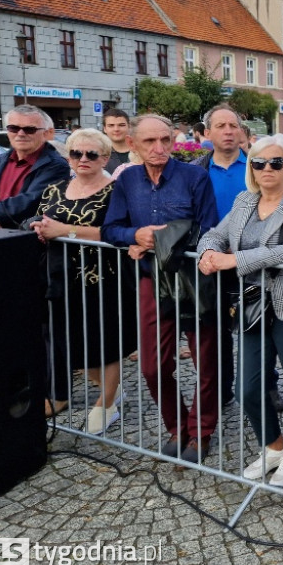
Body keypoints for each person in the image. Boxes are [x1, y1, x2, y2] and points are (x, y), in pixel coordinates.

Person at [197, 135, 283, 487]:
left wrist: (232, 260)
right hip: (252, 304)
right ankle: (274, 445)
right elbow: (215, 235)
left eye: (276, 162)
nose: (267, 168)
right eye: (259, 163)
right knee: (248, 386)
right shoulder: (244, 201)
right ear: (251, 168)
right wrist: (207, 253)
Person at [102, 114, 220, 465]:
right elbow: (111, 229)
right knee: (153, 365)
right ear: (134, 144)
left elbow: (208, 229)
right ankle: (176, 426)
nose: (159, 148)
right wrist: (133, 237)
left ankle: (202, 431)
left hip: (193, 279)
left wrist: (159, 239)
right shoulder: (127, 182)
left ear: (174, 140)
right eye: (150, 142)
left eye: (165, 140)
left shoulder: (195, 177)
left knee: (206, 361)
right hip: (151, 281)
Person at [29, 129, 137, 433]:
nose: (83, 159)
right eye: (77, 153)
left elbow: (114, 232)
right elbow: (42, 219)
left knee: (106, 342)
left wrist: (62, 230)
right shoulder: (55, 188)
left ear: (105, 157)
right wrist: (40, 228)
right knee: (73, 343)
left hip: (103, 279)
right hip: (60, 278)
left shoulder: (116, 190)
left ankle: (107, 402)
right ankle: (113, 389)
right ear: (69, 156)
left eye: (92, 154)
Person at [194, 104, 250, 403]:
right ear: (207, 133)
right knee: (217, 329)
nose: (228, 131)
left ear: (241, 131)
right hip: (213, 260)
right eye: (221, 126)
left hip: (252, 259)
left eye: (233, 125)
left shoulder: (259, 164)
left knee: (258, 328)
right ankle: (224, 387)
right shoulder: (196, 171)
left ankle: (263, 386)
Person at [0, 105, 70, 229]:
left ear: (45, 134)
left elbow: (28, 203)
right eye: (14, 128)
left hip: (27, 240)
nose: (21, 133)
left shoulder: (56, 166)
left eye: (29, 129)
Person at [102, 108, 132, 174]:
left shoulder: (141, 151)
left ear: (129, 127)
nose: (116, 129)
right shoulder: (99, 155)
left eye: (121, 125)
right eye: (111, 125)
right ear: (105, 129)